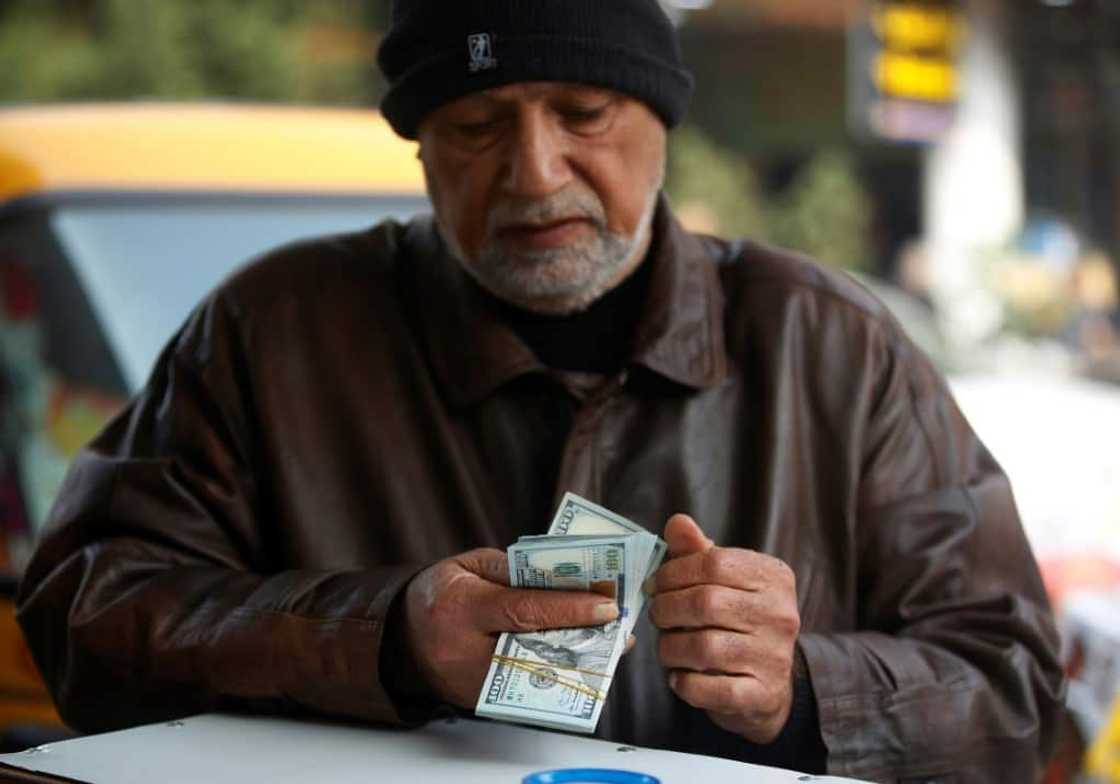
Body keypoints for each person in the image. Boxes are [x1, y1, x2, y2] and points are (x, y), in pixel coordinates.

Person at [17, 1, 1064, 781]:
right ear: (420, 147)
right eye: (476, 126)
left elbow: (1017, 694)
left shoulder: (832, 346)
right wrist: (384, 633)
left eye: (583, 111)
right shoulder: (272, 332)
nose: (532, 170)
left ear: (661, 120)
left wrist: (807, 690)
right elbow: (86, 620)